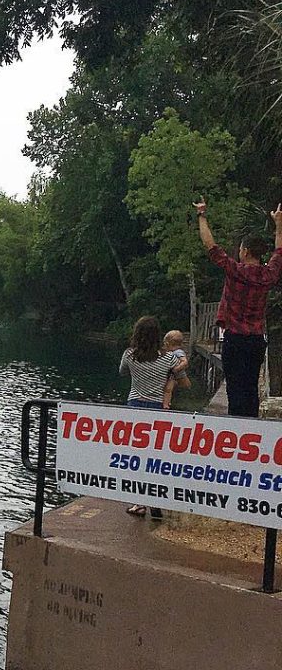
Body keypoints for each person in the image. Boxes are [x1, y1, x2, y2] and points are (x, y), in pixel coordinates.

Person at [195, 198, 282, 416]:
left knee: (234, 388)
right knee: (251, 387)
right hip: (255, 338)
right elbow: (279, 252)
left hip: (234, 337)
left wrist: (202, 215)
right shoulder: (267, 275)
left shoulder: (236, 271)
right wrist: (279, 224)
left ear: (245, 251)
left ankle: (235, 427)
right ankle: (251, 427)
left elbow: (210, 246)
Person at [120, 316, 186, 518]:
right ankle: (156, 501)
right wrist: (173, 376)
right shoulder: (169, 359)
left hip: (135, 407)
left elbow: (122, 372)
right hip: (158, 409)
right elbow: (183, 381)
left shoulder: (129, 355)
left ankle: (139, 503)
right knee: (156, 458)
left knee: (137, 457)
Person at [161, 330, 192, 410]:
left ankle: (166, 404)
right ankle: (168, 402)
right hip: (174, 376)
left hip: (177, 374)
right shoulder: (173, 352)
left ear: (167, 343)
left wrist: (176, 369)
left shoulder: (178, 352)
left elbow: (185, 362)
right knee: (168, 389)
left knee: (168, 389)